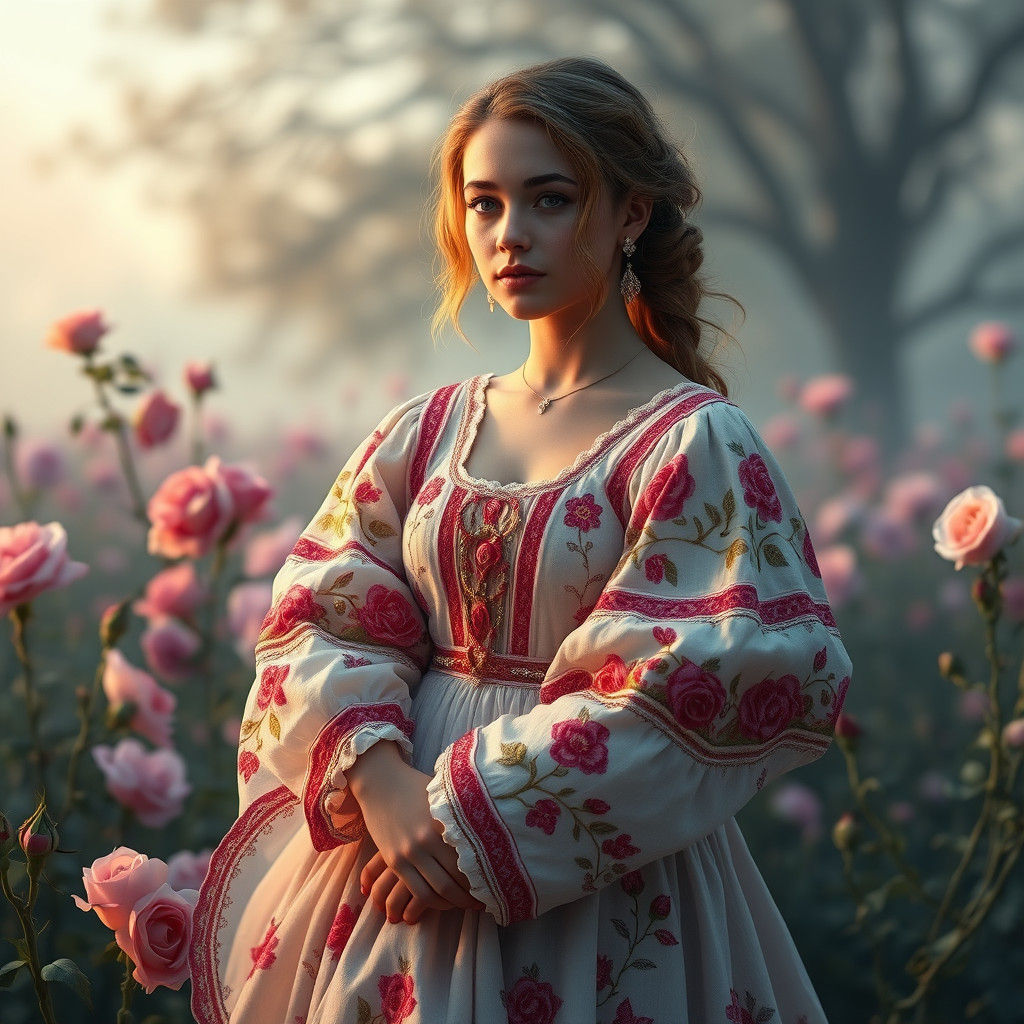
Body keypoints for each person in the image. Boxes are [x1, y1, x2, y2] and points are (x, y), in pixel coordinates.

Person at [189, 55, 852, 1024]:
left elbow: (709, 676)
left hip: (593, 883)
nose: (510, 236)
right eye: (485, 203)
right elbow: (322, 610)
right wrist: (380, 787)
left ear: (630, 211)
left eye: (549, 199)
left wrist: (467, 826)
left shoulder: (691, 439)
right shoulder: (425, 427)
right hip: (382, 853)